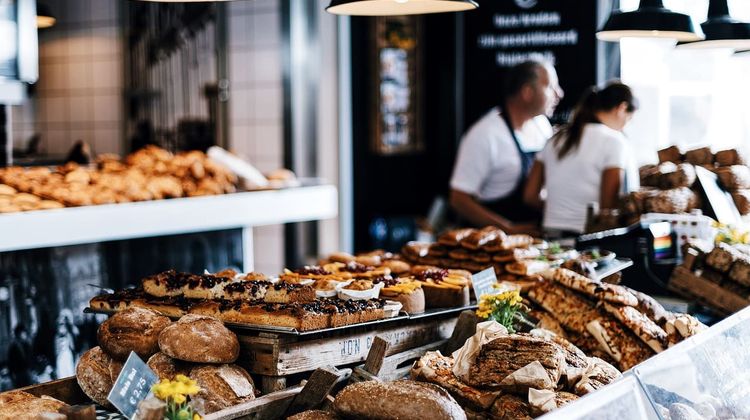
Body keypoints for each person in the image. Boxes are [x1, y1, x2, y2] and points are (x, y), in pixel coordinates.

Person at [450, 59, 563, 235]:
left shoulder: (541, 125)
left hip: (533, 240)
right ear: (527, 92)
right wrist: (507, 229)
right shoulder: (485, 134)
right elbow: (459, 199)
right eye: (550, 87)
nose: (559, 94)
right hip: (491, 244)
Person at [523, 81, 639, 236]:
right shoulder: (615, 141)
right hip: (588, 238)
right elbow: (608, 208)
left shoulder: (555, 139)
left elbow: (529, 196)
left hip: (551, 235)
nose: (626, 126)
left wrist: (560, 210)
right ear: (622, 108)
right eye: (629, 119)